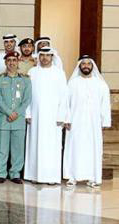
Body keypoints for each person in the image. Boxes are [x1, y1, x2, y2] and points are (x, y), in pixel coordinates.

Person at [63, 55, 111, 188]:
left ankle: (93, 177)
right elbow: (66, 103)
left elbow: (105, 105)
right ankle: (72, 177)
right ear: (79, 66)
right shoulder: (72, 83)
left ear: (92, 66)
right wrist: (66, 118)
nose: (85, 66)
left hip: (93, 124)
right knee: (74, 148)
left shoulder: (101, 84)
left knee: (93, 149)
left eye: (88, 64)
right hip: (75, 122)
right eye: (83, 64)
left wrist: (105, 121)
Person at [25, 47, 68, 184]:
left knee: (52, 147)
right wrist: (28, 113)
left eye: (48, 55)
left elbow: (64, 96)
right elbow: (27, 95)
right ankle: (35, 176)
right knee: (35, 144)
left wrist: (62, 116)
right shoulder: (32, 72)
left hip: (53, 118)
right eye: (42, 55)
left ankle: (51, 177)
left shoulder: (59, 73)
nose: (44, 58)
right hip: (35, 116)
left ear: (52, 57)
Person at [0, 51, 31, 184]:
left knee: (17, 149)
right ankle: (1, 173)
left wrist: (16, 113)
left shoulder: (25, 79)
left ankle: (15, 174)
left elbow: (27, 100)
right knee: (1, 148)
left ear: (18, 62)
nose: (11, 63)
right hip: (3, 119)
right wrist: (9, 112)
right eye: (9, 60)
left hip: (18, 120)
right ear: (5, 62)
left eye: (14, 60)